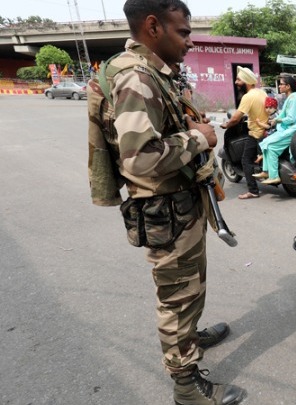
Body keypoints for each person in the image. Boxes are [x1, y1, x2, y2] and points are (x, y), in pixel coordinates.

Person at [86, 1, 246, 404]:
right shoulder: (136, 78)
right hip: (166, 209)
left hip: (179, 205)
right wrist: (200, 139)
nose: (190, 41)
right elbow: (139, 157)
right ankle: (187, 386)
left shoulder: (153, 72)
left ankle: (189, 340)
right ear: (153, 26)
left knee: (188, 289)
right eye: (184, 32)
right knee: (177, 298)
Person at [221, 66, 268, 199]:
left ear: (246, 81)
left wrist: (226, 124)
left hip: (255, 133)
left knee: (245, 160)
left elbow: (236, 118)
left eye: (238, 80)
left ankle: (253, 191)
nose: (236, 82)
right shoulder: (262, 92)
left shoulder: (248, 97)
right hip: (265, 131)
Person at [253, 75, 296, 185]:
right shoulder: (291, 98)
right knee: (266, 143)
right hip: (292, 129)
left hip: (294, 129)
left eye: (282, 84)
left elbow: (291, 118)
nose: (280, 86)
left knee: (270, 146)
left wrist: (277, 121)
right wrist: (276, 120)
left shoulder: (293, 99)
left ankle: (274, 176)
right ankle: (266, 171)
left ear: (288, 86)